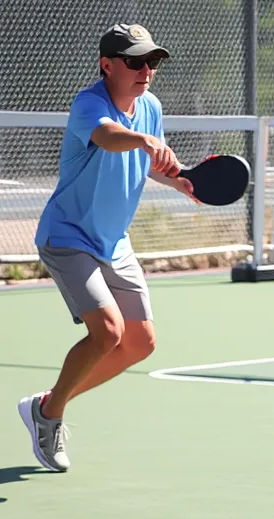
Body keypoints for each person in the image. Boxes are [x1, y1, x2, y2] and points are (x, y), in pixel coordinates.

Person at [18, 23, 195, 473]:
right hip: (68, 237)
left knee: (140, 344)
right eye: (135, 62)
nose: (146, 71)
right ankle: (51, 417)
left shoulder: (150, 106)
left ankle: (47, 404)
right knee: (109, 333)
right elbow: (111, 138)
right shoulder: (88, 104)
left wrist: (179, 180)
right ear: (107, 65)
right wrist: (145, 140)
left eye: (152, 62)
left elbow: (148, 162)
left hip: (115, 242)